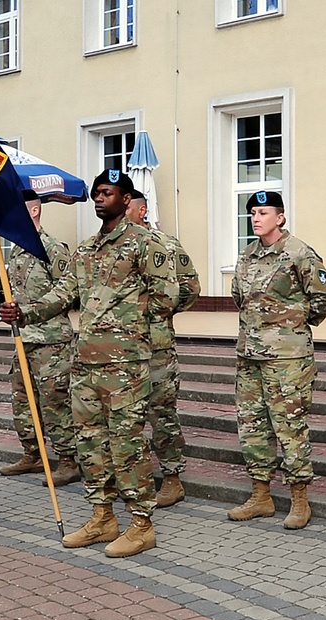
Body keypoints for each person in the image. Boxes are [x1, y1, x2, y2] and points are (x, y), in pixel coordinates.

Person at [0, 170, 177, 558]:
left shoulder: (145, 244)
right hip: (85, 363)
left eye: (107, 193)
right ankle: (102, 516)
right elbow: (64, 293)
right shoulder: (86, 250)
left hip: (125, 365)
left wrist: (131, 326)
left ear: (126, 199)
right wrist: (24, 312)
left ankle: (141, 524)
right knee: (91, 444)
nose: (99, 198)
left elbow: (169, 296)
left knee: (127, 444)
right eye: (96, 193)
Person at [228, 190, 326, 529]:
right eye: (253, 213)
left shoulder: (299, 253)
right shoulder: (247, 256)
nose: (256, 218)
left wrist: (293, 325)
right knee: (252, 427)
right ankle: (261, 495)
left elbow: (323, 298)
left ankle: (299, 499)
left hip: (287, 359)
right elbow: (238, 297)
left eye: (263, 212)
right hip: (249, 355)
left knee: (289, 428)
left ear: (281, 217)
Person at [0, 190, 80, 487]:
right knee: (22, 400)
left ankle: (68, 461)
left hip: (51, 341)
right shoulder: (16, 249)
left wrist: (29, 311)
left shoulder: (53, 249)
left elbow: (68, 293)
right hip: (23, 337)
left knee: (54, 403)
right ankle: (32, 453)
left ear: (33, 212)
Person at [127, 189, 201, 507]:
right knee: (124, 419)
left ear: (142, 211)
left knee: (162, 414)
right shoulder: (111, 247)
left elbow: (191, 286)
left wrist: (160, 311)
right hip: (121, 350)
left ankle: (172, 478)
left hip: (156, 348)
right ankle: (133, 480)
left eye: (125, 204)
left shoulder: (166, 245)